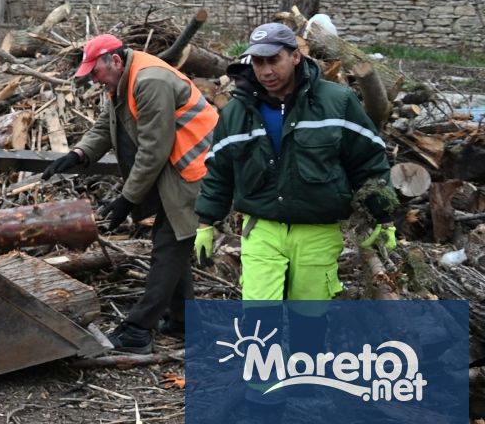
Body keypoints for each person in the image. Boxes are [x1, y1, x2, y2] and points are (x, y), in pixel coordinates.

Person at [193, 22, 398, 302]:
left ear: (295, 56)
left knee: (308, 319)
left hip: (317, 230)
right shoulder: (237, 112)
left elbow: (368, 160)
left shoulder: (336, 102)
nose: (266, 71)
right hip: (261, 229)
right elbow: (220, 171)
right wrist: (206, 222)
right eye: (258, 62)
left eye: (274, 60)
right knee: (259, 320)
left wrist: (383, 216)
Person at [42, 33, 218, 353]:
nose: (95, 81)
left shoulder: (150, 82)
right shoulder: (122, 81)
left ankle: (137, 330)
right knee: (171, 243)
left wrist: (127, 199)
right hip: (176, 171)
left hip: (197, 173)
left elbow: (153, 151)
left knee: (168, 247)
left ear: (115, 61)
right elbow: (106, 126)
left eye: (95, 73)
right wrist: (79, 154)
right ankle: (184, 321)